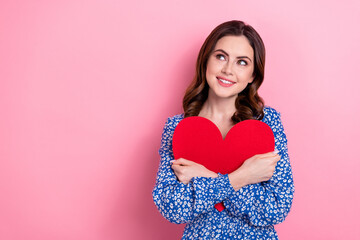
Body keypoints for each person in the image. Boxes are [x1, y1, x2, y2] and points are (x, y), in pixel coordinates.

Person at [152, 20, 294, 239]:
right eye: (220, 56)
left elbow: (276, 207)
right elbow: (172, 208)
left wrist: (205, 176)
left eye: (242, 62)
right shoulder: (178, 128)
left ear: (253, 76)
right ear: (205, 62)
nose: (228, 69)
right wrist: (241, 177)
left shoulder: (266, 124)